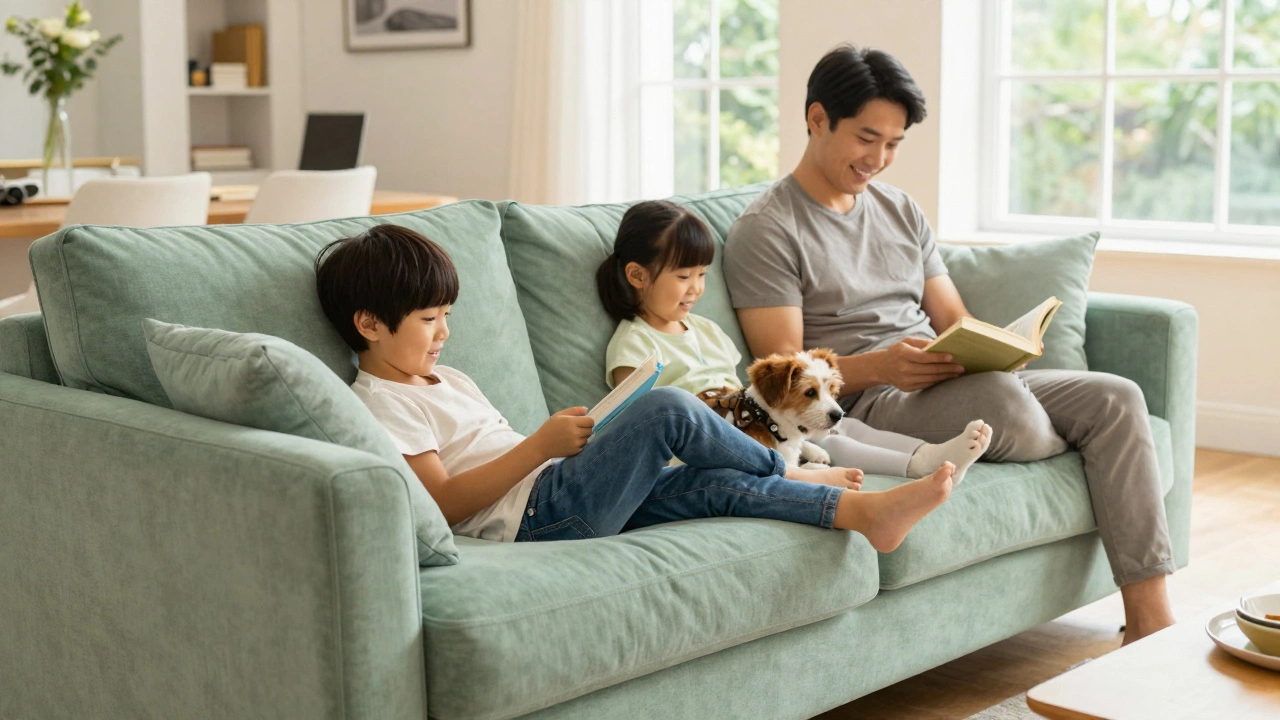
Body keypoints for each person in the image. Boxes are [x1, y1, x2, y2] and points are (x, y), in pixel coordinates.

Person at [722, 44, 1176, 644]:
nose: (878, 159)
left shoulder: (900, 210)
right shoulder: (768, 229)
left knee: (1118, 398)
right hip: (868, 403)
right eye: (866, 138)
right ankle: (1078, 440)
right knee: (1006, 404)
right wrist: (884, 366)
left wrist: (996, 346)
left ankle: (1150, 621)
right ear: (817, 119)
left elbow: (952, 316)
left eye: (893, 143)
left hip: (949, 380)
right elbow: (787, 380)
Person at [313, 223, 956, 551]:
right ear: (369, 324)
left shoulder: (448, 378)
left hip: (562, 487)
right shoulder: (380, 401)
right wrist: (541, 446)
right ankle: (784, 467)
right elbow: (443, 504)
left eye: (447, 315)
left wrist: (571, 443)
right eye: (429, 319)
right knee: (668, 406)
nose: (445, 332)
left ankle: (864, 514)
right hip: (541, 519)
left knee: (710, 484)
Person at [596, 198, 992, 483]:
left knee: (838, 427)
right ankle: (890, 470)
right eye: (683, 277)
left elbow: (742, 393)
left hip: (746, 420)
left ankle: (925, 458)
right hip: (705, 441)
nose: (696, 288)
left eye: (701, 275)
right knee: (818, 437)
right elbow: (642, 422)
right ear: (637, 276)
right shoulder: (633, 343)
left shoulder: (707, 330)